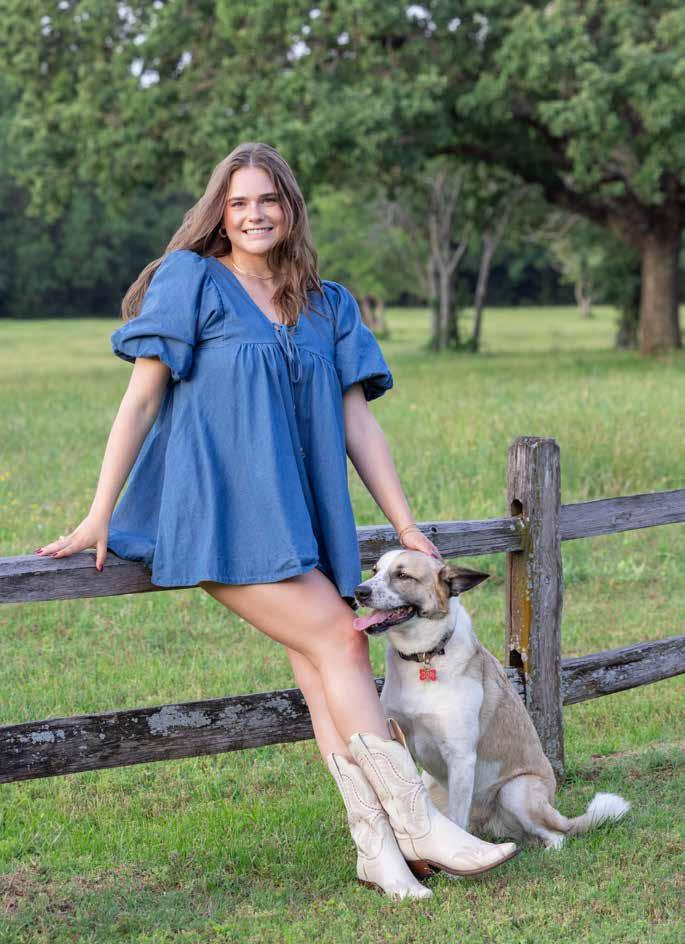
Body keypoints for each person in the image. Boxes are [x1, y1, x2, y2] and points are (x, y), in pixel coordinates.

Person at [34, 142, 516, 900]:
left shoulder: (330, 303)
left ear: (290, 208)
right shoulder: (192, 280)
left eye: (268, 200)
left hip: (301, 517)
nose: (254, 214)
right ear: (219, 214)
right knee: (341, 642)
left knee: (324, 675)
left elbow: (357, 424)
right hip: (215, 516)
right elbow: (141, 399)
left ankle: (378, 852)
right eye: (238, 203)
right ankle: (417, 824)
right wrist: (99, 512)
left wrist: (405, 524)